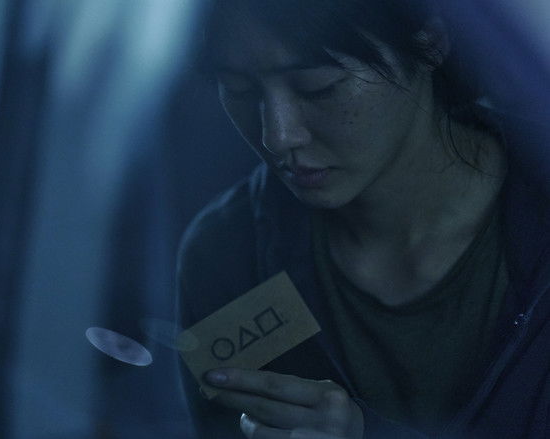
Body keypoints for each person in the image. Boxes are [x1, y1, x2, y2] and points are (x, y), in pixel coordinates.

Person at [174, 0, 550, 438]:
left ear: (431, 42)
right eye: (239, 90)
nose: (278, 136)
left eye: (318, 88)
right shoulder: (225, 256)